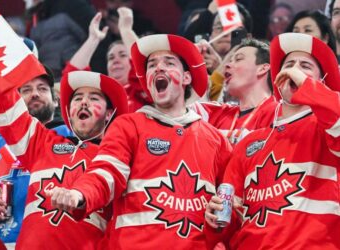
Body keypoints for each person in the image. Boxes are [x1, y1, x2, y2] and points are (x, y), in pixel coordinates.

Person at [47, 34, 233, 249]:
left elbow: (231, 206)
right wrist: (79, 194)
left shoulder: (217, 139)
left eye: (169, 62)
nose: (158, 68)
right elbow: (106, 172)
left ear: (186, 78)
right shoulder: (129, 125)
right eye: (152, 65)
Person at [205, 32, 340, 249]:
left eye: (305, 66)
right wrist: (216, 223)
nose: (294, 70)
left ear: (321, 82)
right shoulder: (250, 143)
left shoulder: (328, 129)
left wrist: (309, 89)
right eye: (289, 64)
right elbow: (229, 226)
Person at [0, 67, 128, 249]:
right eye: (77, 99)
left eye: (93, 98)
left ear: (109, 114)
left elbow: (106, 186)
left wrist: (79, 196)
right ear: (69, 112)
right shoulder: (42, 143)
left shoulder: (117, 156)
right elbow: (6, 106)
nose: (84, 102)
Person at [0, 66, 72, 249]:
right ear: (15, 101)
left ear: (57, 100)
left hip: (51, 242)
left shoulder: (72, 138)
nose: (35, 94)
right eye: (26, 90)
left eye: (42, 89)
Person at [193, 38, 277, 145]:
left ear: (262, 69)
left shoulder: (279, 113)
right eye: (229, 61)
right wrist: (190, 60)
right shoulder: (216, 113)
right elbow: (178, 109)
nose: (227, 65)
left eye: (238, 59)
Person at [64, 10, 150, 112]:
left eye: (122, 55)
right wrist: (93, 39)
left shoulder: (146, 91)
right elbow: (72, 79)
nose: (116, 60)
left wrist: (126, 30)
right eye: (111, 57)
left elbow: (144, 67)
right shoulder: (98, 95)